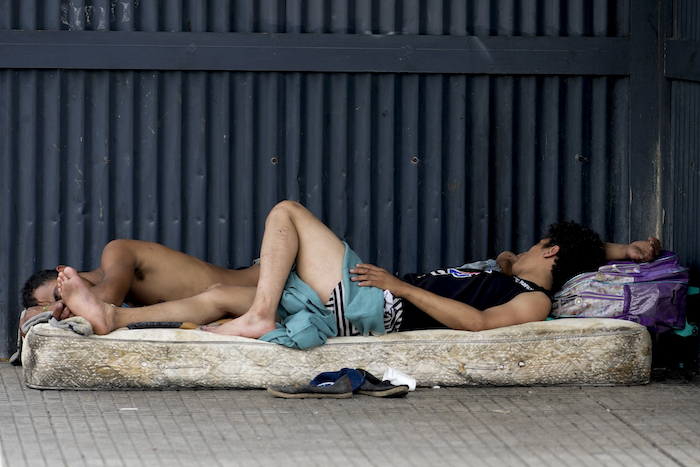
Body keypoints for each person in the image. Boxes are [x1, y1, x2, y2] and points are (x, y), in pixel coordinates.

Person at [54, 201, 661, 348]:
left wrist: (400, 286)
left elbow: (476, 322)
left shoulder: (531, 303)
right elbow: (536, 257)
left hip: (377, 305)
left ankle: (261, 315)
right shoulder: (504, 270)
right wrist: (622, 251)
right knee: (216, 293)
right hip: (369, 296)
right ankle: (113, 318)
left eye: (537, 246)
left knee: (286, 212)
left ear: (550, 254)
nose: (519, 251)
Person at [19, 239, 260, 334]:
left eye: (58, 295)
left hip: (263, 281)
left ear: (64, 273)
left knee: (217, 294)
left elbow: (108, 297)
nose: (63, 307)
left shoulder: (116, 252)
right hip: (239, 303)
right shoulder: (131, 306)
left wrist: (40, 313)